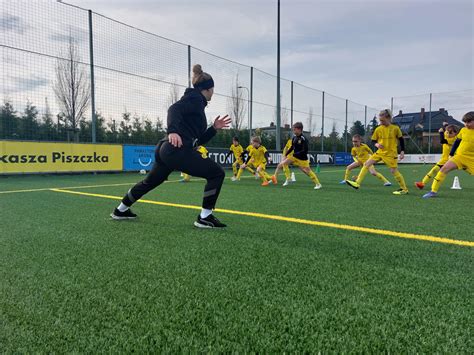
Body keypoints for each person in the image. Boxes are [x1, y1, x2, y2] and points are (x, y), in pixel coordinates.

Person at [111, 64, 232, 228]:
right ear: (208, 89)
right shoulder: (195, 99)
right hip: (175, 149)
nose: (213, 93)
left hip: (166, 150)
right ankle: (205, 217)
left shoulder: (196, 101)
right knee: (217, 173)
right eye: (213, 89)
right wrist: (172, 131)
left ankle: (121, 210)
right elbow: (173, 109)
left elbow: (196, 141)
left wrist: (213, 128)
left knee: (150, 182)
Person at [346, 109, 408, 195]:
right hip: (380, 152)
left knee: (393, 171)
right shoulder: (378, 129)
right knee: (367, 164)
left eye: (382, 120)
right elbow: (373, 140)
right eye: (380, 120)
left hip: (391, 154)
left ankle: (404, 189)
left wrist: (402, 151)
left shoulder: (395, 128)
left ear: (388, 118)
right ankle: (357, 183)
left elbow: (401, 140)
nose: (381, 122)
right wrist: (377, 145)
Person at [423, 111, 474, 198]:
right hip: (459, 157)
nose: (466, 124)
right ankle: (433, 191)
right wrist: (451, 154)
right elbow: (457, 142)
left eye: (469, 122)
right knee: (443, 169)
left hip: (471, 159)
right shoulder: (463, 130)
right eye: (465, 122)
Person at [270, 122, 322, 189]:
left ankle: (318, 184)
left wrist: (296, 154)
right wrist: (286, 154)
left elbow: (305, 151)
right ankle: (288, 178)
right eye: (293, 129)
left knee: (307, 172)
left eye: (294, 129)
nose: (293, 130)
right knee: (284, 163)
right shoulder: (294, 138)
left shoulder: (304, 139)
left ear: (299, 129)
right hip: (294, 157)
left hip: (302, 159)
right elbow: (292, 147)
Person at [415, 123, 459, 189]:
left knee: (438, 172)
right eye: (447, 132)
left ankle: (426, 184)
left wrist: (441, 132)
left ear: (456, 134)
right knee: (434, 170)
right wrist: (445, 126)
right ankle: (422, 183)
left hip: (452, 160)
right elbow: (446, 129)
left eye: (450, 133)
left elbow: (442, 141)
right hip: (444, 160)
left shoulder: (454, 139)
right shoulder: (448, 135)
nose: (448, 134)